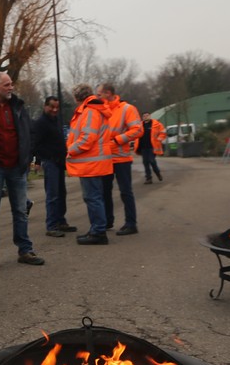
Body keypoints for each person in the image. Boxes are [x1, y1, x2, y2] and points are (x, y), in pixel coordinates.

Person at [0, 71, 42, 269]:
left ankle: (25, 250)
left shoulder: (18, 106)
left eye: (11, 84)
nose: (11, 88)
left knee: (21, 211)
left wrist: (28, 157)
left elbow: (29, 132)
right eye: (7, 85)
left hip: (17, 167)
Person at [65, 83, 114, 245]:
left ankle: (98, 232)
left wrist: (70, 150)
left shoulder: (90, 111)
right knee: (94, 197)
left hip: (90, 163)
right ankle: (96, 230)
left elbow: (87, 138)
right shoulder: (93, 109)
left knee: (93, 198)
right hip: (94, 163)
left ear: (76, 97)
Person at [98, 83, 143, 236]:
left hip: (121, 158)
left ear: (108, 93)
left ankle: (131, 223)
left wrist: (118, 140)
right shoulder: (102, 110)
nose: (98, 97)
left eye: (100, 94)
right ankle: (107, 221)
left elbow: (138, 130)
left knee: (125, 191)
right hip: (105, 158)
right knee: (104, 191)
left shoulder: (127, 109)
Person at [31, 95, 77, 238]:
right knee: (53, 195)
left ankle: (61, 221)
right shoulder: (41, 123)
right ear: (45, 106)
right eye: (52, 107)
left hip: (59, 162)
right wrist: (39, 160)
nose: (54, 110)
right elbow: (35, 144)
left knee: (61, 193)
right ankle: (51, 225)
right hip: (50, 162)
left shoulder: (56, 120)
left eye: (57, 107)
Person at [140, 111, 165, 184]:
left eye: (147, 115)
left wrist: (159, 139)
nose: (146, 117)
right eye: (144, 116)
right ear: (142, 117)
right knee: (145, 162)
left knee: (151, 161)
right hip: (143, 147)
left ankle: (158, 173)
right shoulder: (139, 125)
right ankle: (148, 178)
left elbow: (163, 132)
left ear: (150, 116)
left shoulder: (156, 124)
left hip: (152, 147)